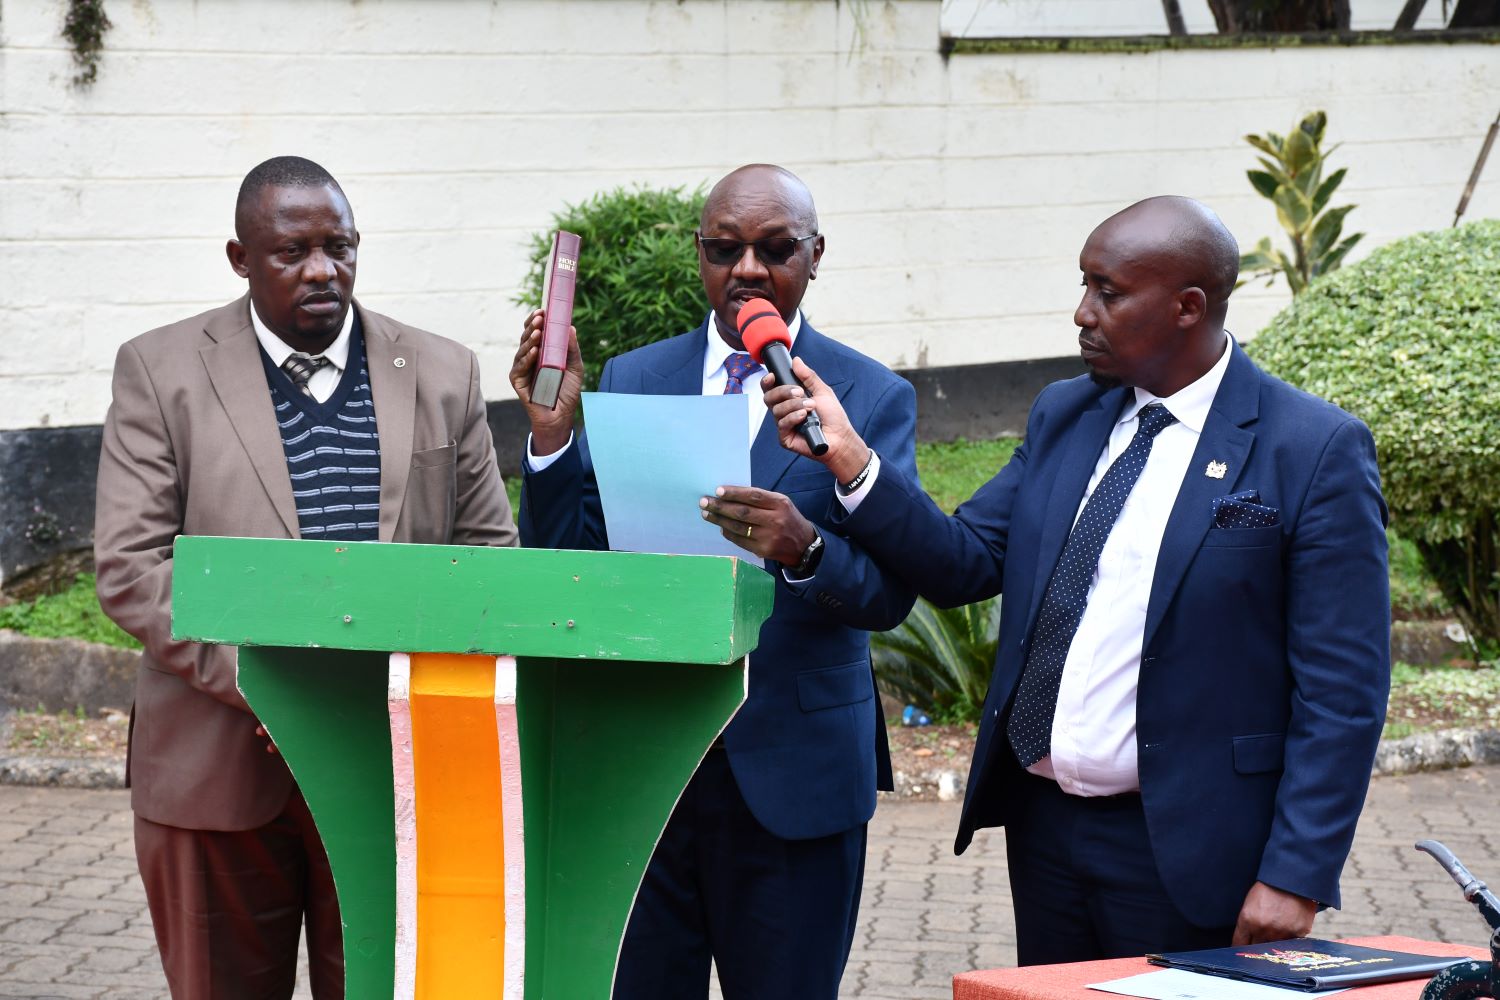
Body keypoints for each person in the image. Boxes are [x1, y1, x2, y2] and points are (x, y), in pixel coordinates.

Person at [754, 195, 1390, 965]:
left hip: (1192, 847)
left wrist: (1295, 873)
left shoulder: (1311, 448)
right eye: (1084, 285)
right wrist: (852, 461)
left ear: (1188, 307)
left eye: (1108, 292)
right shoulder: (1068, 413)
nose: (1082, 313)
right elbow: (962, 561)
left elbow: (1343, 690)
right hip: (1047, 835)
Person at [94, 155, 518, 999]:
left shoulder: (443, 373)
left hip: (392, 767)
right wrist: (279, 690)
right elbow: (132, 567)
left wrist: (388, 693)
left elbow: (485, 560)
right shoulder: (161, 370)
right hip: (217, 771)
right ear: (241, 258)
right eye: (293, 252)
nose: (323, 269)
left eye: (339, 246)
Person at [511, 163, 919, 998]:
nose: (747, 270)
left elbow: (888, 594)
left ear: (814, 255)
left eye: (775, 249)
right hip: (647, 769)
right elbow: (571, 568)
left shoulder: (870, 397)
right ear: (699, 254)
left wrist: (807, 549)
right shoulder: (634, 377)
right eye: (724, 249)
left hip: (795, 777)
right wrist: (552, 440)